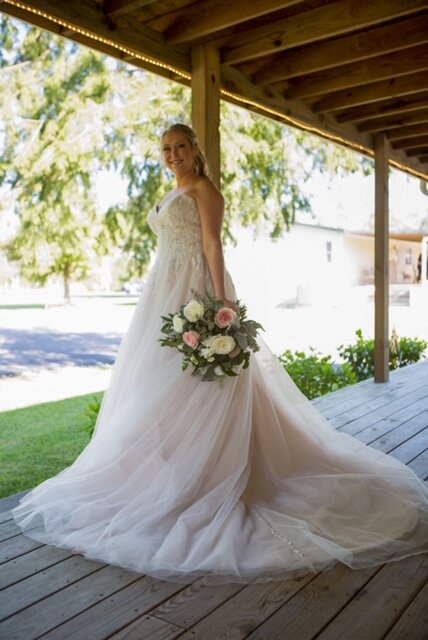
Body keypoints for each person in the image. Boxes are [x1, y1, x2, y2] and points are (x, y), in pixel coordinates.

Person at [13, 124, 428, 584]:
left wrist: (218, 303)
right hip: (163, 292)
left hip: (194, 290)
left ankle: (209, 473)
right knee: (158, 384)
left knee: (197, 383)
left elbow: (212, 244)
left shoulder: (205, 189)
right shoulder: (176, 189)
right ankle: (162, 475)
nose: (173, 154)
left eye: (181, 147)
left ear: (195, 151)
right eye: (167, 148)